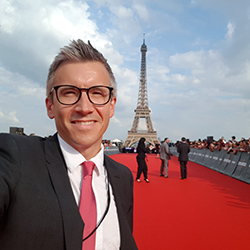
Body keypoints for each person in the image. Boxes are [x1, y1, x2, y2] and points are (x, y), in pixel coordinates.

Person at [0, 40, 138, 250]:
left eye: (97, 93)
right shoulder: (15, 158)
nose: (84, 107)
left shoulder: (123, 177)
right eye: (69, 93)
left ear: (112, 106)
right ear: (50, 106)